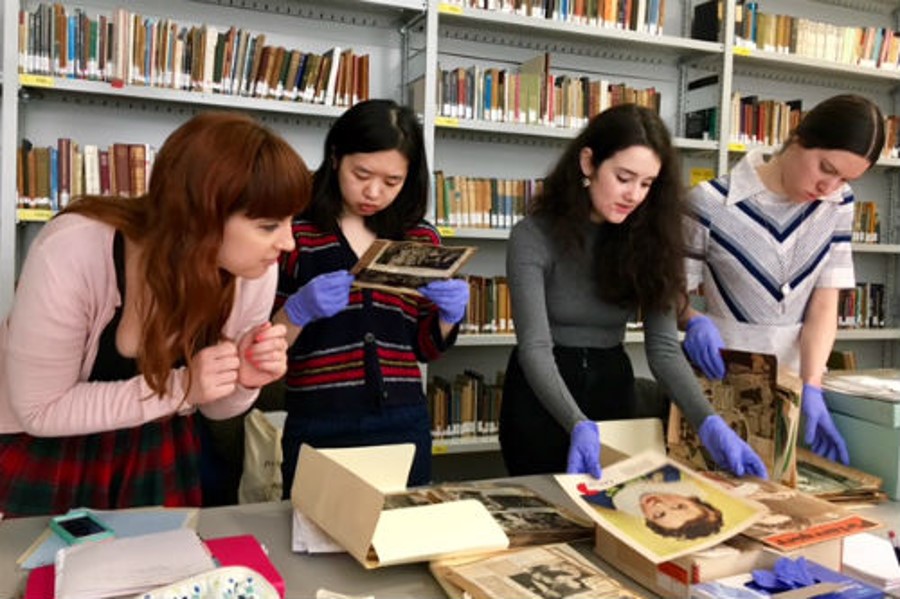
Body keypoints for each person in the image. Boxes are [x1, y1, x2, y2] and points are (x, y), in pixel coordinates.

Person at [0, 111, 311, 517]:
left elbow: (213, 408)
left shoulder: (252, 270)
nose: (288, 243)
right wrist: (183, 387)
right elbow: (41, 410)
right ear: (201, 216)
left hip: (155, 446)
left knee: (161, 575)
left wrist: (241, 380)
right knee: (36, 576)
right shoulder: (74, 249)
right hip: (48, 448)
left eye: (290, 221)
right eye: (269, 225)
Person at [499, 103, 767, 480]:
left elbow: (662, 348)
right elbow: (535, 346)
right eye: (624, 178)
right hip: (541, 398)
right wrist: (575, 422)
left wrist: (709, 422)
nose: (634, 195)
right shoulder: (533, 235)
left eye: (647, 184)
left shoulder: (649, 238)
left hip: (612, 389)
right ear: (589, 163)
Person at [273, 99, 469, 494]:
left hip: (402, 418)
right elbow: (265, 346)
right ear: (334, 158)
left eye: (392, 182)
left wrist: (449, 317)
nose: (374, 192)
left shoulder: (419, 238)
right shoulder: (296, 233)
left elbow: (424, 347)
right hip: (319, 420)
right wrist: (297, 312)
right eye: (361, 173)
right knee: (314, 541)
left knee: (402, 538)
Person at [680, 94, 886, 466]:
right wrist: (692, 320)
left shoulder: (838, 204)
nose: (830, 186)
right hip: (720, 385)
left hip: (795, 386)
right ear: (799, 136)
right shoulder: (709, 203)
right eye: (826, 167)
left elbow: (825, 302)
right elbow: (666, 298)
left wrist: (812, 385)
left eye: (844, 179)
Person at [581, 464, 724, 540]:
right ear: (690, 498)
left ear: (649, 520)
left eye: (660, 514)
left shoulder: (607, 501)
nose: (659, 504)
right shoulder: (672, 473)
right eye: (679, 506)